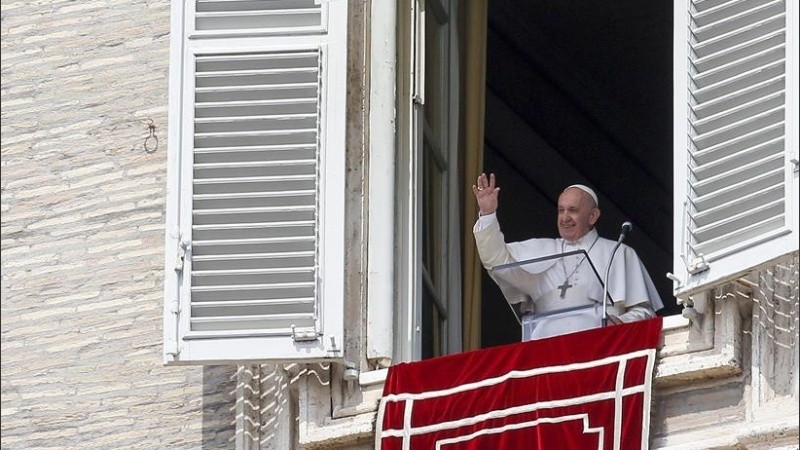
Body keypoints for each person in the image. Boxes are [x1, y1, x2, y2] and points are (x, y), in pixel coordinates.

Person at [472, 173, 663, 340]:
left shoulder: (619, 253)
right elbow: (496, 260)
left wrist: (620, 322)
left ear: (593, 216)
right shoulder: (542, 250)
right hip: (545, 352)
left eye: (573, 210)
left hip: (599, 349)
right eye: (561, 210)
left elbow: (645, 312)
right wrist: (488, 214)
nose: (565, 218)